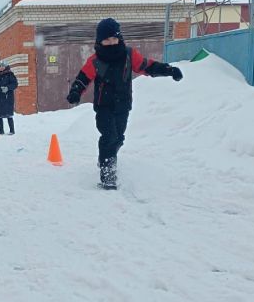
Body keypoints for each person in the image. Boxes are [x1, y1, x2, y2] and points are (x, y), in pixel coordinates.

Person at [67, 17, 184, 189]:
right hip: (104, 107)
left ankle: (105, 158)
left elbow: (148, 66)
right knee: (109, 137)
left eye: (114, 38)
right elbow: (83, 78)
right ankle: (108, 176)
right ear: (100, 41)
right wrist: (76, 91)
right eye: (107, 40)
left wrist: (169, 70)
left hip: (123, 105)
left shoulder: (129, 55)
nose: (111, 42)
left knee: (119, 138)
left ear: (119, 38)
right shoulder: (95, 60)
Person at [0, 60, 18, 135]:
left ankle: (12, 130)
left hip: (7, 98)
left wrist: (7, 88)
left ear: (5, 67)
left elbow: (15, 84)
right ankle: (1, 130)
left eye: (2, 66)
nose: (1, 67)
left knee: (8, 114)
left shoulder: (10, 74)